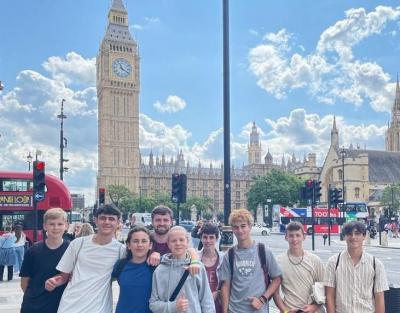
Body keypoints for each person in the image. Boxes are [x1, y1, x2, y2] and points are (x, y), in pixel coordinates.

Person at [45, 204, 125, 313]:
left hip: (100, 308)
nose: (107, 222)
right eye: (102, 218)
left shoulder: (121, 250)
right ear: (95, 220)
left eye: (111, 219)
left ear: (118, 222)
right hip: (70, 306)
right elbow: (64, 276)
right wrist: (53, 281)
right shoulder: (78, 244)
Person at [218, 209, 282, 313]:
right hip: (234, 310)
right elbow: (226, 286)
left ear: (250, 226)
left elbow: (277, 279)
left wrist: (262, 299)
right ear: (232, 229)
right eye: (236, 227)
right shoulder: (229, 255)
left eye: (243, 226)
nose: (240, 230)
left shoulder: (263, 251)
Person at [324, 221, 389, 313]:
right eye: (349, 234)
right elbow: (330, 295)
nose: (353, 237)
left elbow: (379, 297)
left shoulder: (376, 264)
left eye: (357, 234)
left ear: (364, 236)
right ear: (344, 237)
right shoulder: (333, 262)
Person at [149, 226, 215, 313]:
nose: (178, 243)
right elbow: (153, 304)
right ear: (168, 243)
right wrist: (173, 306)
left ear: (187, 242)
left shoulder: (198, 267)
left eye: (181, 240)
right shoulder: (159, 271)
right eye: (173, 241)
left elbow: (207, 300)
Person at [19, 208, 69, 313]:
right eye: (51, 224)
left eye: (60, 224)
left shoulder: (71, 249)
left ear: (66, 226)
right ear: (45, 226)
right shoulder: (33, 250)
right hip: (33, 306)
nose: (56, 227)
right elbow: (24, 282)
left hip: (60, 305)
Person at [273, 221, 325, 313]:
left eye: (298, 235)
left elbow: (324, 288)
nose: (294, 239)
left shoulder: (315, 260)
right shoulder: (278, 261)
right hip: (290, 309)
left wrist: (314, 307)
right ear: (286, 237)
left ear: (304, 237)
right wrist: (285, 311)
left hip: (314, 310)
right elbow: (275, 293)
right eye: (291, 235)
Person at [147, 205, 200, 275]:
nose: (162, 223)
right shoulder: (145, 239)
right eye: (158, 220)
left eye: (165, 220)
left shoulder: (177, 239)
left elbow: (190, 249)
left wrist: (194, 262)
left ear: (171, 222)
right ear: (152, 221)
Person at [112, 226, 155, 313]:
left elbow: (182, 255)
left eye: (144, 241)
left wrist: (191, 261)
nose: (140, 245)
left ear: (150, 245)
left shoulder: (155, 266)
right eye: (135, 241)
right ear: (128, 245)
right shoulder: (120, 265)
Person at [199, 222, 224, 312]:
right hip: (200, 305)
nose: (208, 241)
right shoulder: (195, 259)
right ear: (201, 238)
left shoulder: (223, 259)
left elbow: (227, 283)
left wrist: (217, 293)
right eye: (205, 237)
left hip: (219, 305)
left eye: (211, 237)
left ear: (216, 238)